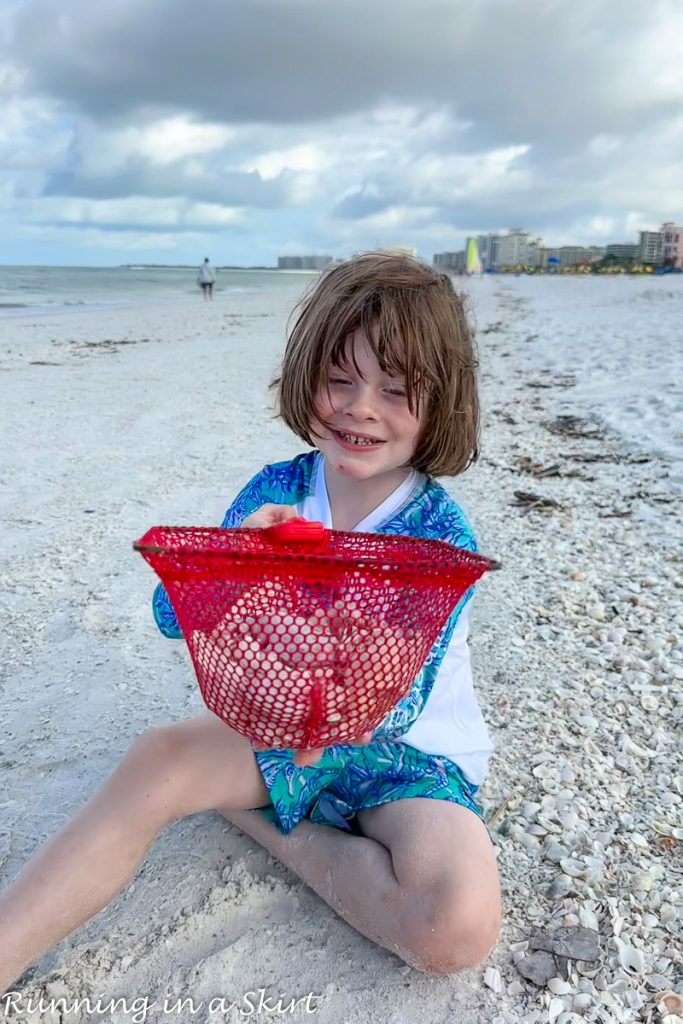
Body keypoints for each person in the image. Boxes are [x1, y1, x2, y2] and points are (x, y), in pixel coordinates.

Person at [0, 252, 501, 991]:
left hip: (404, 759)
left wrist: (307, 746)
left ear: (441, 404)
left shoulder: (436, 534)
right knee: (156, 760)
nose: (360, 407)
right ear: (307, 377)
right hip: (273, 730)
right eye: (339, 379)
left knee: (455, 926)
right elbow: (173, 615)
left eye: (394, 390)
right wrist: (238, 562)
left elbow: (399, 704)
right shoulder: (278, 493)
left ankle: (260, 822)